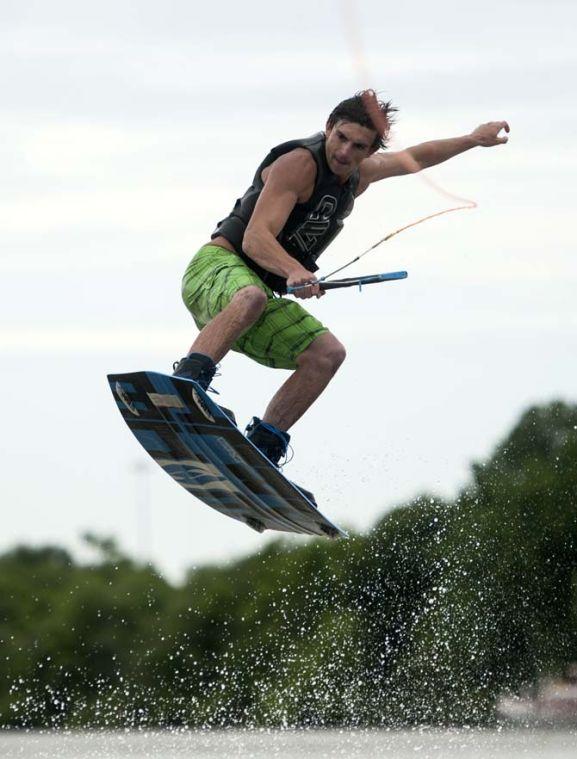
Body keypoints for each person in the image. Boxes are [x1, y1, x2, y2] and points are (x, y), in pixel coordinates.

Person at [173, 91, 509, 470]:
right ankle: (186, 387)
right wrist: (295, 270)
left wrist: (472, 140)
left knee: (327, 355)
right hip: (215, 270)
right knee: (251, 296)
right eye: (341, 138)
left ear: (369, 151)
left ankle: (261, 451)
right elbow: (254, 238)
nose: (346, 151)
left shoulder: (359, 176)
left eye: (358, 146)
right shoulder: (299, 163)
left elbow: (415, 157)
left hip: (257, 299)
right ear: (329, 128)